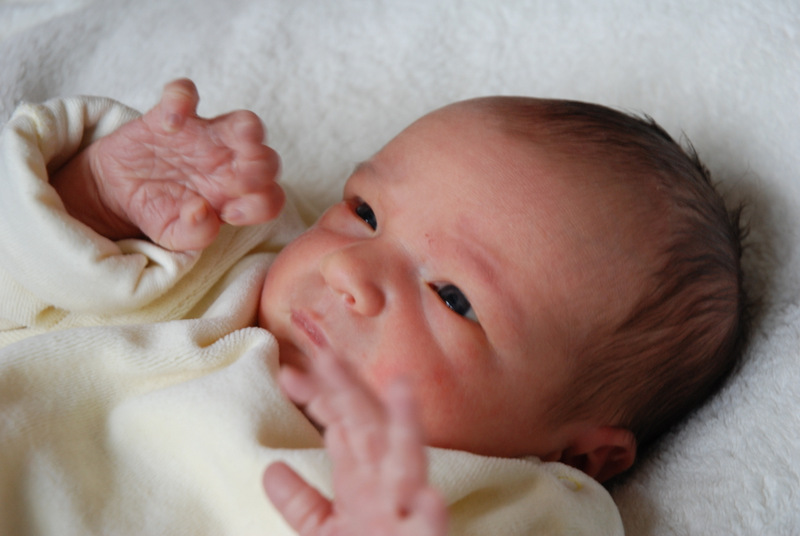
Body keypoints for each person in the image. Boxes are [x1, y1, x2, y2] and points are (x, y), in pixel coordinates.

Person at [0, 79, 746, 535]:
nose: (350, 270)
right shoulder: (229, 260)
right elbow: (29, 285)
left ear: (575, 455)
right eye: (364, 212)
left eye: (452, 297)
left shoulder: (516, 505)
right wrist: (97, 197)